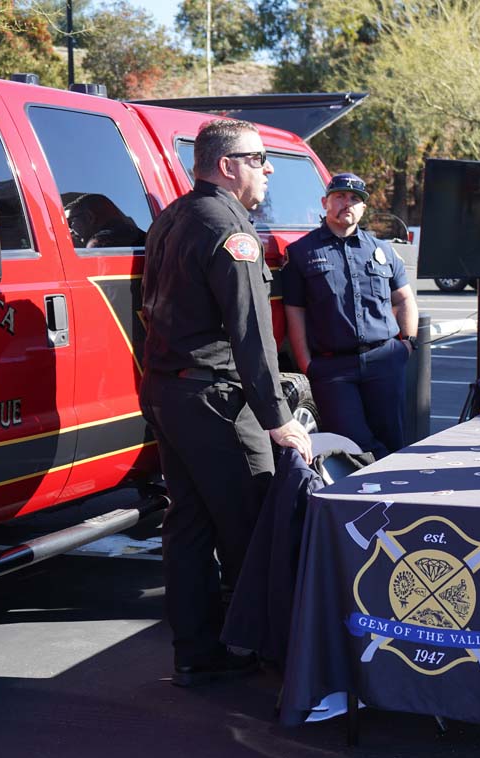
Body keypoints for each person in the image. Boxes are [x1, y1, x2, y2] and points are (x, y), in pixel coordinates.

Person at [140, 118, 313, 687]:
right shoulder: (231, 230)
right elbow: (253, 336)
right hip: (216, 399)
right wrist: (280, 421)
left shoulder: (174, 216)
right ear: (227, 165)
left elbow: (148, 308)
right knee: (256, 521)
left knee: (188, 524)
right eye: (260, 158)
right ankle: (271, 652)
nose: (268, 169)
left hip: (171, 390)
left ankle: (197, 651)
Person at [281, 172, 419, 458]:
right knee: (350, 446)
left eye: (355, 199)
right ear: (325, 202)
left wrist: (408, 343)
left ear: (363, 208)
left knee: (392, 441)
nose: (347, 203)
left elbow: (404, 298)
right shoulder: (301, 252)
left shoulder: (382, 250)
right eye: (340, 196)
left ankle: (390, 499)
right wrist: (306, 362)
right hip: (334, 371)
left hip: (384, 361)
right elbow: (295, 313)